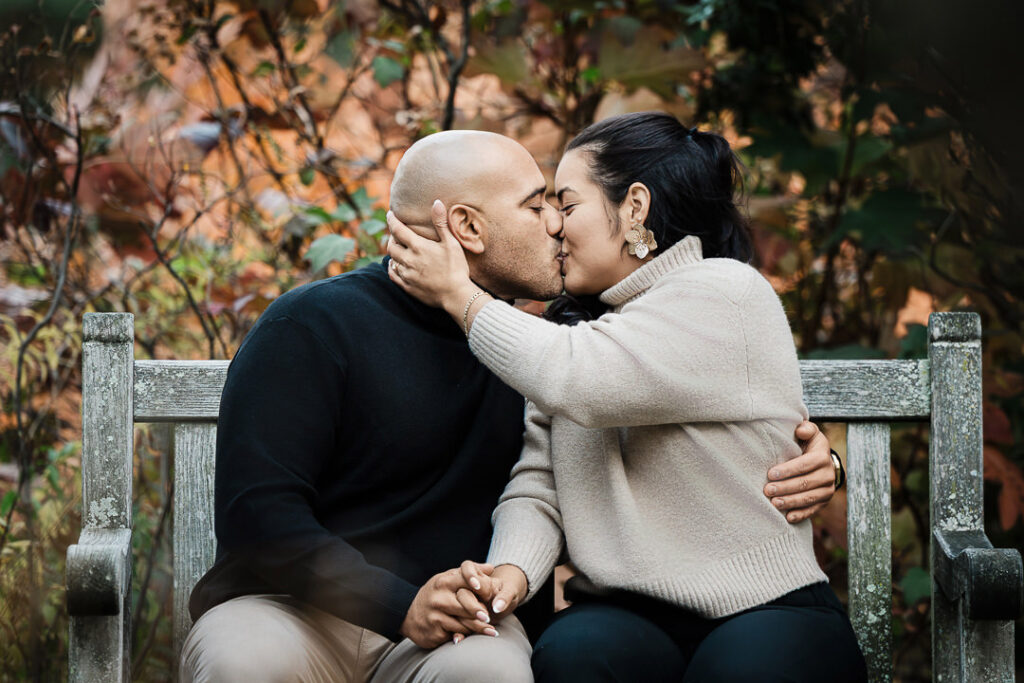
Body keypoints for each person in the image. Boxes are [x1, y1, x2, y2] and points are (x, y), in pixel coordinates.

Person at [179, 128, 840, 682]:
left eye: (563, 203)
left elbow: (599, 377)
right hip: (298, 612)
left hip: (453, 631)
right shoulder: (316, 324)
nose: (554, 222)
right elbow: (258, 514)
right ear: (467, 225)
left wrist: (825, 459)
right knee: (246, 660)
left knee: (492, 674)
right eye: (536, 205)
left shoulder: (546, 344)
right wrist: (424, 596)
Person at [386, 113, 867, 682]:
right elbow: (539, 483)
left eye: (566, 205)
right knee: (574, 657)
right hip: (622, 613)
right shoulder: (572, 335)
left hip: (764, 605)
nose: (553, 228)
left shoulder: (725, 292)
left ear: (634, 207)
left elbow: (582, 379)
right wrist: (509, 571)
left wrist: (459, 297)